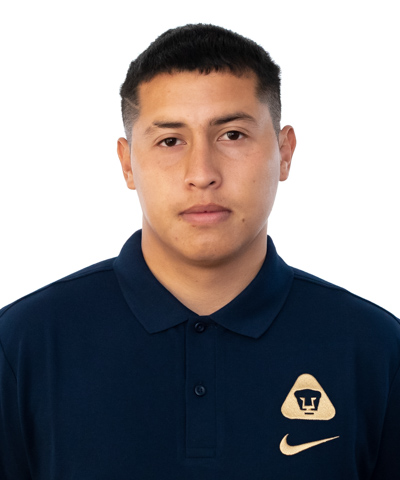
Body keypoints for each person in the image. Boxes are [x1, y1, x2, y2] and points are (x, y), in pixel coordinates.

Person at [0, 23, 399, 480]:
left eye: (232, 135)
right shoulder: (22, 346)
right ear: (127, 163)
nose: (202, 173)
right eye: (170, 141)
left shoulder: (375, 349)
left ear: (284, 152)